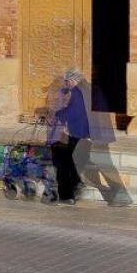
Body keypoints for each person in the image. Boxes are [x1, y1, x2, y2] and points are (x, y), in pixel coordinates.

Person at [47, 70, 91, 204]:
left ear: (72, 81)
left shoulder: (77, 93)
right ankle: (75, 183)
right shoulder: (82, 92)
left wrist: (57, 115)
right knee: (67, 158)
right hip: (79, 132)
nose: (66, 84)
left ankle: (68, 194)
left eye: (66, 81)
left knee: (61, 159)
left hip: (76, 131)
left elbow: (73, 112)